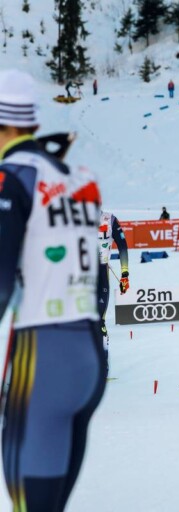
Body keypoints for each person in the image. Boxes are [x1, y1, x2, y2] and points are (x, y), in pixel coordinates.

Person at [0, 69, 106, 512]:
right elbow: (98, 277)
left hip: (42, 360)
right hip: (87, 356)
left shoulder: (12, 177)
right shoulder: (76, 177)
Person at [98, 211, 130, 374]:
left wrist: (125, 274)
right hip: (80, 276)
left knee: (99, 319)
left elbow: (122, 245)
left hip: (102, 272)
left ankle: (103, 363)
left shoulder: (109, 219)